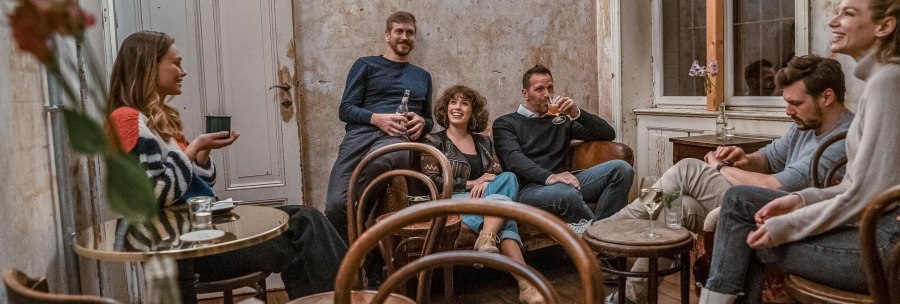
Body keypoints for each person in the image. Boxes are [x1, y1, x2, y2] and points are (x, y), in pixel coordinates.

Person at [106, 31, 347, 302]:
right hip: (186, 251)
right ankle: (349, 291)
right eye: (176, 63)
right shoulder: (126, 120)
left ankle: (339, 293)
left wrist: (202, 153)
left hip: (200, 235)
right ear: (149, 66)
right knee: (305, 226)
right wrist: (193, 149)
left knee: (306, 219)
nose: (183, 72)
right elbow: (153, 196)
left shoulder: (158, 118)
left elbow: (197, 185)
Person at [602, 54, 855, 304]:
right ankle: (630, 298)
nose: (789, 111)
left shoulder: (842, 141)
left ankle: (612, 226)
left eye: (796, 103)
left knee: (688, 169)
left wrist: (721, 167)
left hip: (778, 213)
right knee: (676, 208)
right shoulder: (806, 125)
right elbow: (769, 157)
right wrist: (744, 158)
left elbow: (775, 185)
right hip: (764, 205)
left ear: (827, 97)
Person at [701, 0, 900, 302]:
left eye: (848, 13)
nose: (833, 22)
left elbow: (865, 198)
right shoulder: (880, 82)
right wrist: (799, 200)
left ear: (884, 26)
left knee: (751, 234)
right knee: (742, 205)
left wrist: (788, 224)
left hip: (888, 246)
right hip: (878, 232)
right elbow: (858, 189)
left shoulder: (888, 82)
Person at [423, 85, 542, 304]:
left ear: (473, 111)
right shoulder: (433, 140)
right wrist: (472, 183)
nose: (457, 107)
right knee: (505, 216)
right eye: (453, 102)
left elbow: (497, 174)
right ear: (445, 108)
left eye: (464, 103)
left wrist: (486, 182)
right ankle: (526, 284)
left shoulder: (484, 141)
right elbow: (431, 181)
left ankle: (486, 236)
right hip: (452, 198)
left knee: (509, 178)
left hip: (486, 197)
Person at [325, 11, 434, 243]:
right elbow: (345, 110)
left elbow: (429, 119)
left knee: (385, 159)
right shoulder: (365, 65)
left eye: (410, 33)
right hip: (359, 136)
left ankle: (359, 233)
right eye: (399, 31)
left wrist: (423, 123)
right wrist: (376, 118)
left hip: (397, 137)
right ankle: (356, 256)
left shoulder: (422, 76)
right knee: (335, 206)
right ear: (387, 35)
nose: (404, 37)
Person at [492, 64, 634, 232]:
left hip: (566, 182)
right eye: (539, 89)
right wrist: (550, 177)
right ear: (525, 93)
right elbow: (515, 160)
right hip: (529, 189)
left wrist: (576, 113)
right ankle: (600, 238)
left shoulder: (560, 121)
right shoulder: (505, 123)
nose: (547, 94)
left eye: (550, 88)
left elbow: (607, 133)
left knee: (622, 169)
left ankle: (602, 234)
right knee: (566, 193)